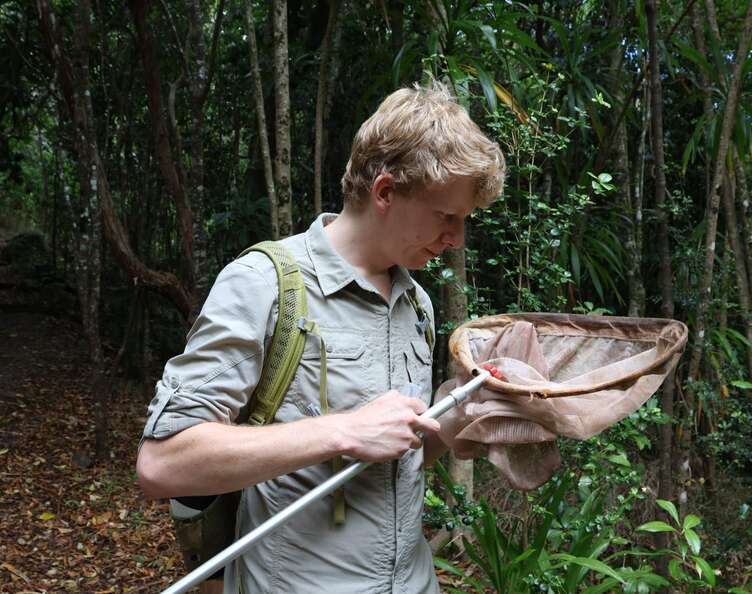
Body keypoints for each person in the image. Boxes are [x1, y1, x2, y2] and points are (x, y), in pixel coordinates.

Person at [137, 81, 505, 594]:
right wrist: (342, 432)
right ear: (385, 192)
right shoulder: (266, 283)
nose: (457, 237)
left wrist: (460, 410)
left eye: (463, 220)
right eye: (447, 216)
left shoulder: (415, 302)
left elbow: (402, 452)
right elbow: (163, 463)